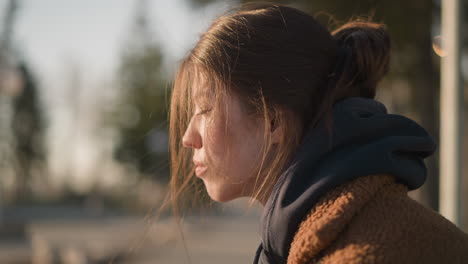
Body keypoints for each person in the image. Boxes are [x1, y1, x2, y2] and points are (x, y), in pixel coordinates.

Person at [168, 3, 468, 264]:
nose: (188, 137)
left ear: (272, 121)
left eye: (205, 109)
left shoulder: (365, 248)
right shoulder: (346, 222)